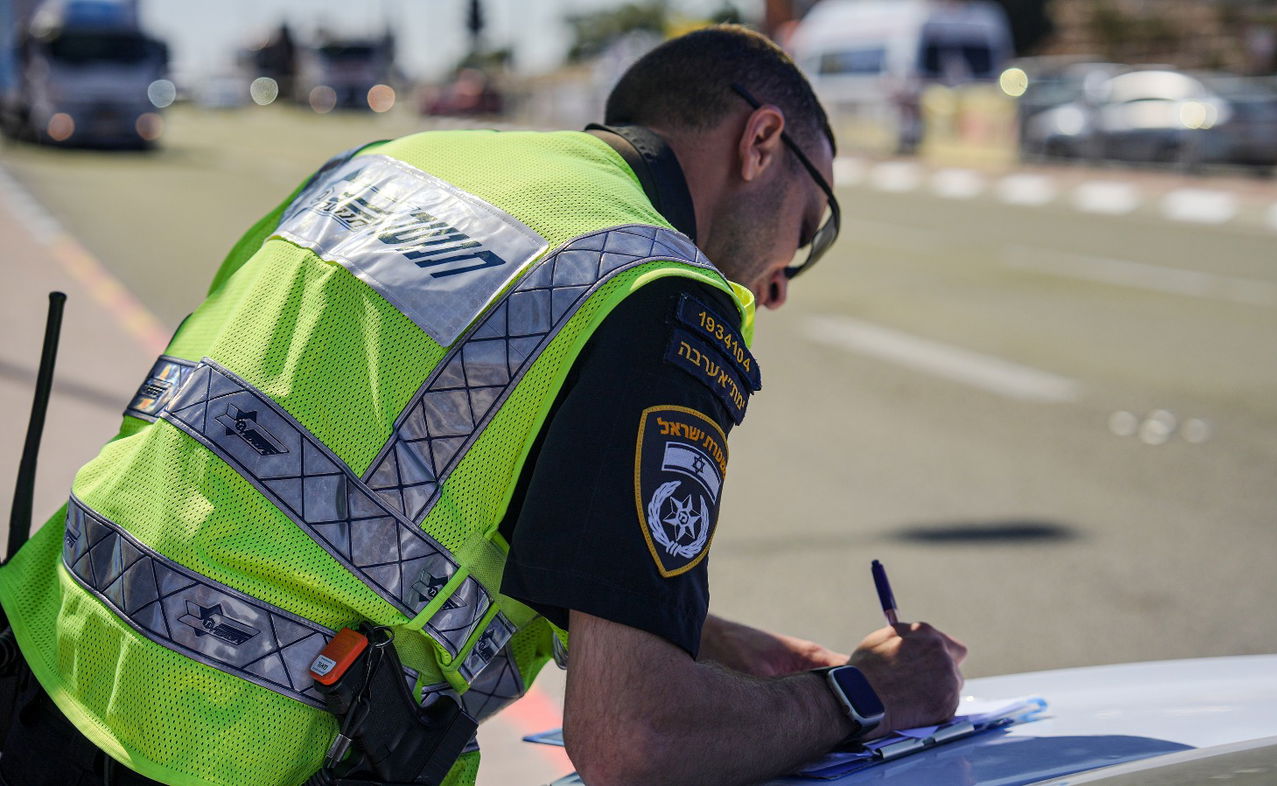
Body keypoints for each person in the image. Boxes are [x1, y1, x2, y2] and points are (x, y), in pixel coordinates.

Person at [0, 25, 965, 786]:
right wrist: (864, 693)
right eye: (808, 230)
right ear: (762, 143)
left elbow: (360, 482)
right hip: (227, 751)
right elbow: (634, 741)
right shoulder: (661, 286)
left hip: (43, 656)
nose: (782, 285)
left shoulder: (396, 159)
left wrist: (702, 641)